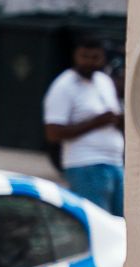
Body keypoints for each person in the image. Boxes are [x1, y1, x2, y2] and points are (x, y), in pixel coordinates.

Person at [42, 35, 125, 215]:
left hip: (115, 162)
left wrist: (118, 120)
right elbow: (52, 133)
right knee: (98, 221)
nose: (89, 62)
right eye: (84, 56)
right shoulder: (64, 85)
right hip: (85, 164)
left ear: (103, 58)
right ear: (75, 55)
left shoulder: (104, 81)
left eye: (95, 57)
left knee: (120, 223)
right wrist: (96, 122)